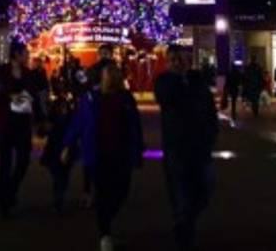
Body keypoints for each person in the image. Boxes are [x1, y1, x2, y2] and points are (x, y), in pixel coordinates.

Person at [65, 62, 145, 251]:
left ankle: (107, 223)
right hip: (99, 152)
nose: (113, 78)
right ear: (101, 77)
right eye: (109, 74)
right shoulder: (91, 98)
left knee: (122, 190)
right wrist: (68, 144)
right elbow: (78, 122)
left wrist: (138, 147)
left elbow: (135, 124)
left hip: (121, 151)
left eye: (115, 74)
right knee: (103, 192)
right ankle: (105, 234)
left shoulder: (125, 98)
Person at [155, 45, 218, 250]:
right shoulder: (164, 82)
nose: (177, 62)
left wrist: (211, 133)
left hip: (201, 146)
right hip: (176, 147)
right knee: (180, 191)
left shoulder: (198, 82)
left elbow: (209, 108)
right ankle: (185, 232)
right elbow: (167, 99)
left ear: (188, 60)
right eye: (172, 59)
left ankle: (186, 222)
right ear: (167, 62)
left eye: (181, 58)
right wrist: (179, 79)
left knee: (206, 189)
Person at [0, 41, 43, 217]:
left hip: (22, 122)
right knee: (4, 163)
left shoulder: (28, 74)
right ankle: (3, 203)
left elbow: (33, 94)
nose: (28, 56)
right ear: (16, 55)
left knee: (24, 160)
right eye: (25, 53)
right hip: (5, 122)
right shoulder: (2, 72)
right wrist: (10, 96)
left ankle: (10, 190)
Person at [41, 95, 78, 214]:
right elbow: (41, 132)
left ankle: (59, 201)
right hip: (55, 153)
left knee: (63, 178)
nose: (63, 109)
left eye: (65, 107)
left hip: (65, 152)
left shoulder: (69, 119)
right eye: (61, 107)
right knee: (59, 178)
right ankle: (58, 202)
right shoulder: (54, 120)